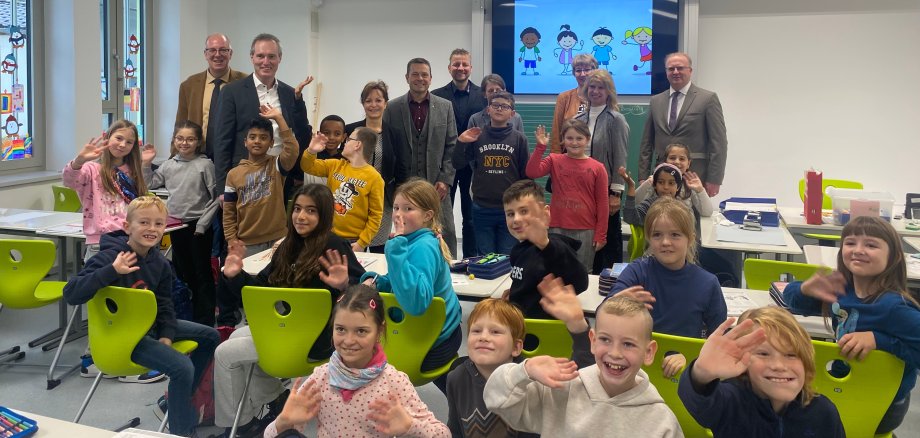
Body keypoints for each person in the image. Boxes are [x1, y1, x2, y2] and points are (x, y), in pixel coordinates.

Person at [62, 196, 220, 437]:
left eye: (158, 224)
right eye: (144, 222)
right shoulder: (109, 257)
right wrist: (111, 271)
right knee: (182, 367)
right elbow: (71, 293)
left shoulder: (160, 264)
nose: (152, 229)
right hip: (124, 336)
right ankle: (182, 431)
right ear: (127, 227)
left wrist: (167, 335)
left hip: (151, 326)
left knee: (210, 336)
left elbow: (165, 304)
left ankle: (178, 401)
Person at [213, 184, 365, 435]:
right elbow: (258, 290)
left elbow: (364, 294)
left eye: (311, 211)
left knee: (224, 353)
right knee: (238, 337)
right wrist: (235, 275)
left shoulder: (333, 246)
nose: (301, 217)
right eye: (297, 209)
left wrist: (344, 285)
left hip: (315, 343)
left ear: (324, 215)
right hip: (284, 333)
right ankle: (275, 400)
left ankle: (240, 424)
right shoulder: (288, 246)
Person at [783, 216, 920, 434]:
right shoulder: (841, 290)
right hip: (842, 385)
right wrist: (803, 289)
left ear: (893, 256)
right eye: (850, 243)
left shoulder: (894, 308)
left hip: (884, 401)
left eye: (871, 245)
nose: (858, 250)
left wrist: (880, 341)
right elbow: (793, 301)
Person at [263, 285, 450, 437]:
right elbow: (270, 435)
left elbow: (443, 434)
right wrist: (283, 422)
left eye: (361, 331)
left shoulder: (393, 381)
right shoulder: (321, 377)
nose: (349, 340)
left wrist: (411, 426)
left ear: (379, 331)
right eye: (341, 329)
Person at [483, 295, 681, 437]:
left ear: (648, 352)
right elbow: (496, 400)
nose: (615, 353)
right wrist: (524, 370)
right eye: (605, 340)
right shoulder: (562, 389)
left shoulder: (661, 421)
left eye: (628, 344)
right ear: (593, 341)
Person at [446, 278, 593, 438]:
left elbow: (583, 375)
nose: (484, 337)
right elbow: (456, 429)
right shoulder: (457, 377)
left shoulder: (532, 377)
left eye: (495, 332)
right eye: (476, 331)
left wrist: (577, 324)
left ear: (516, 347)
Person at [361, 179, 462, 394]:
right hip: (437, 334)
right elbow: (400, 279)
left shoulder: (422, 246)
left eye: (408, 209)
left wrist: (395, 247)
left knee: (355, 348)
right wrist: (377, 281)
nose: (398, 214)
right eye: (396, 207)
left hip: (432, 341)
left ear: (428, 215)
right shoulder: (415, 240)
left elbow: (415, 303)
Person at [678, 308, 846, 437]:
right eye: (763, 354)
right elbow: (697, 400)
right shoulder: (731, 401)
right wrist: (701, 372)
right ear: (743, 361)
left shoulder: (824, 412)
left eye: (791, 355)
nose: (779, 365)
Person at [609, 196, 726, 378]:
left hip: (682, 375)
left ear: (691, 238)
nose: (665, 242)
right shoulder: (638, 272)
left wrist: (691, 357)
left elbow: (720, 340)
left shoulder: (707, 283)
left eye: (675, 235)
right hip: (635, 371)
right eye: (657, 235)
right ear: (649, 238)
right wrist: (616, 303)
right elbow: (604, 313)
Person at [213, 33, 312, 197]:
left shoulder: (289, 93)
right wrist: (223, 189)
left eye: (271, 56)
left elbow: (302, 133)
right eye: (260, 56)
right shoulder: (232, 92)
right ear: (252, 57)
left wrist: (298, 100)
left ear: (280, 58)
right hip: (244, 179)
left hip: (280, 177)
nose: (266, 62)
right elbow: (222, 141)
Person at [144, 121, 220, 326]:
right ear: (174, 140)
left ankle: (205, 318)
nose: (184, 143)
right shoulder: (169, 165)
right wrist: (145, 163)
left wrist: (203, 225)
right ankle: (187, 312)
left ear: (198, 142)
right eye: (180, 138)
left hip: (198, 227)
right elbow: (150, 184)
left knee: (201, 272)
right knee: (183, 271)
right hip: (177, 226)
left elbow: (216, 199)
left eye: (190, 139)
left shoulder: (205, 165)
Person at [382, 57, 458, 255]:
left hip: (436, 186)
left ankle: (448, 274)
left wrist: (445, 180)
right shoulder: (392, 108)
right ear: (407, 77)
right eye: (415, 74)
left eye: (424, 74)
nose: (420, 78)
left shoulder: (445, 106)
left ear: (431, 78)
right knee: (406, 232)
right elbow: (388, 148)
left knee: (446, 232)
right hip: (403, 186)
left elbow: (452, 145)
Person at [63, 119, 155, 259]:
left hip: (131, 241)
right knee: (99, 280)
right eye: (118, 138)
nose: (123, 144)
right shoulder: (91, 169)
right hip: (100, 243)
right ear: (108, 137)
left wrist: (146, 164)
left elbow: (141, 200)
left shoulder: (133, 171)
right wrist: (79, 161)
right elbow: (69, 181)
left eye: (129, 142)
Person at [639, 52, 727, 197]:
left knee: (693, 218)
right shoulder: (656, 101)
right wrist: (643, 176)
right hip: (662, 178)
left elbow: (719, 142)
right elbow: (646, 143)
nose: (675, 72)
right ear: (666, 72)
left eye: (680, 68)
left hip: (694, 176)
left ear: (690, 71)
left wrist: (715, 179)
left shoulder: (708, 99)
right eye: (671, 69)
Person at [527, 121, 608, 272]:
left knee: (583, 272)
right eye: (570, 138)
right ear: (563, 139)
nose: (574, 142)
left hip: (585, 230)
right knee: (553, 271)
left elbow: (603, 203)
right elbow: (532, 172)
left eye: (579, 138)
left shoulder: (598, 168)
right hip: (557, 227)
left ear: (587, 139)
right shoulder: (554, 160)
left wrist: (601, 234)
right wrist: (540, 147)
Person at [503, 179, 588, 319]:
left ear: (545, 212)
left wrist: (544, 244)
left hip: (542, 331)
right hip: (519, 323)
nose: (516, 219)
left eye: (524, 211)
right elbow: (528, 282)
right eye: (510, 214)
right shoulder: (518, 250)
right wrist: (514, 292)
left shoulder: (553, 247)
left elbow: (581, 282)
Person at [457, 91, 529, 255]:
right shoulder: (477, 136)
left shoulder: (519, 139)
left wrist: (523, 207)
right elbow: (458, 163)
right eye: (495, 105)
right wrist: (461, 143)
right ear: (488, 110)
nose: (499, 108)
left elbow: (525, 175)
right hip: (482, 207)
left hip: (509, 209)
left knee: (507, 256)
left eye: (505, 106)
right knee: (485, 256)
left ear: (512, 113)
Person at [343, 80, 411, 254]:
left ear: (385, 103)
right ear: (363, 103)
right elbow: (342, 163)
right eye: (368, 101)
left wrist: (399, 201)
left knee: (378, 248)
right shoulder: (351, 130)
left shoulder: (395, 134)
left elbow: (402, 169)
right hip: (352, 198)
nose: (373, 105)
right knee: (352, 248)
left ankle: (374, 281)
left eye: (378, 100)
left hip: (382, 200)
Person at [433, 49, 488, 258]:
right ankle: (443, 257)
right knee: (441, 216)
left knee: (470, 217)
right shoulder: (436, 96)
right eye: (456, 64)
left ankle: (470, 259)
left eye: (464, 64)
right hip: (445, 165)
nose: (461, 68)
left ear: (470, 68)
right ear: (449, 68)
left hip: (472, 166)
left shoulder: (482, 96)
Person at [223, 107, 298, 257]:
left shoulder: (276, 165)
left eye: (263, 138)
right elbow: (228, 212)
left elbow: (292, 149)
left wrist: (279, 118)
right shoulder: (233, 174)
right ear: (245, 142)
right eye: (252, 137)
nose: (257, 141)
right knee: (251, 280)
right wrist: (231, 239)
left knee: (279, 279)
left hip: (279, 239)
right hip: (247, 243)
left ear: (271, 143)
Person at [574, 69, 629, 273]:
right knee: (585, 240)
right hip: (580, 191)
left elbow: (620, 158)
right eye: (592, 87)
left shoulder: (616, 119)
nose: (595, 91)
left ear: (608, 91)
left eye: (601, 87)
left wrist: (615, 193)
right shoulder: (578, 119)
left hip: (605, 192)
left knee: (607, 244)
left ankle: (608, 288)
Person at [302, 128, 385, 252]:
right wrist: (311, 151)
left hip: (352, 241)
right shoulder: (335, 165)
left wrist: (361, 243)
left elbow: (376, 216)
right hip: (325, 234)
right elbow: (307, 167)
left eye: (348, 139)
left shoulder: (374, 178)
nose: (344, 142)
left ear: (357, 145)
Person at [174, 33, 247, 159]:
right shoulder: (189, 85)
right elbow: (180, 124)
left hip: (234, 157)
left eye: (223, 50)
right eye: (212, 50)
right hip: (196, 156)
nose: (217, 54)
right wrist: (175, 157)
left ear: (231, 53)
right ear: (205, 54)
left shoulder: (245, 83)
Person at [549, 54, 596, 153]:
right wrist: (555, 158)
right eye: (578, 70)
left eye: (587, 70)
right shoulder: (564, 98)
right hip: (569, 156)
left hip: (596, 157)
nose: (583, 74)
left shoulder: (603, 97)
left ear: (595, 71)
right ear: (574, 73)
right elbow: (556, 131)